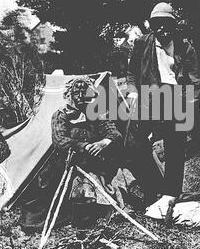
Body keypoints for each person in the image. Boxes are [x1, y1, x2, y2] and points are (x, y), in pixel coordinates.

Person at [19, 76, 138, 231]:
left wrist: (104, 142)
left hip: (95, 163)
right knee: (51, 198)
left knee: (110, 178)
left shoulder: (96, 112)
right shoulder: (61, 115)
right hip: (68, 164)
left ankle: (102, 207)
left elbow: (114, 133)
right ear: (70, 94)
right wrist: (84, 146)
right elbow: (60, 140)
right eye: (77, 92)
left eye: (85, 91)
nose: (81, 96)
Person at [126, 2, 200, 206]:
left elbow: (195, 80)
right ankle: (152, 188)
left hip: (176, 95)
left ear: (173, 25)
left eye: (166, 24)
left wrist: (188, 105)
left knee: (176, 148)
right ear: (152, 25)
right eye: (157, 24)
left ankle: (171, 194)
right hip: (149, 95)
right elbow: (132, 72)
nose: (161, 29)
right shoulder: (142, 43)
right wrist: (133, 92)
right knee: (136, 142)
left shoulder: (185, 46)